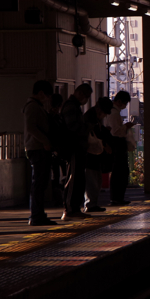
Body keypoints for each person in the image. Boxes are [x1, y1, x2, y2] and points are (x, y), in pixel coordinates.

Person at [24, 80, 56, 226]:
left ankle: (38, 213)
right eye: (47, 95)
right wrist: (45, 141)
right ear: (41, 93)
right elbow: (31, 127)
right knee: (38, 183)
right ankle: (36, 215)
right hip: (37, 148)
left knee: (41, 183)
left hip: (39, 147)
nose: (48, 98)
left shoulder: (36, 106)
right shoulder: (32, 107)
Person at [60, 83, 93, 221]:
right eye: (85, 96)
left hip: (78, 147)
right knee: (73, 178)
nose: (86, 100)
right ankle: (69, 209)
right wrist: (85, 128)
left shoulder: (75, 107)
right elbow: (72, 127)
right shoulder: (70, 107)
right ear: (79, 93)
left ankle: (75, 208)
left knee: (79, 178)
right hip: (73, 147)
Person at [104, 91, 137, 206]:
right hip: (117, 143)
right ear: (119, 101)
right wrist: (126, 126)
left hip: (116, 143)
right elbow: (115, 131)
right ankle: (116, 198)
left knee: (120, 172)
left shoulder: (112, 112)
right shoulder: (113, 113)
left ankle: (118, 198)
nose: (125, 106)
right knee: (120, 172)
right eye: (125, 103)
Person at [83, 97, 113, 214]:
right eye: (104, 112)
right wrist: (105, 145)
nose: (104, 115)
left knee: (96, 180)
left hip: (94, 154)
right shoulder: (90, 119)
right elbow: (93, 136)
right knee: (91, 180)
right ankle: (90, 204)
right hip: (90, 154)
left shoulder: (94, 118)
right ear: (99, 109)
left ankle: (93, 203)